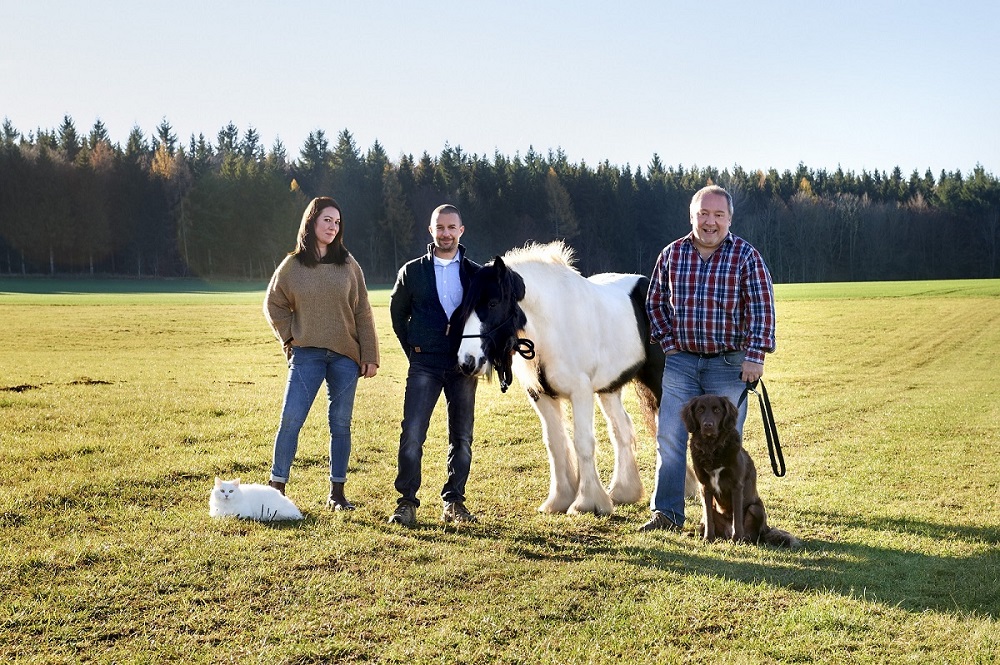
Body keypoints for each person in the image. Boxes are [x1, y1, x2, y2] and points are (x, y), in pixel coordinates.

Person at [641, 185, 776, 532]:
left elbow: (762, 309)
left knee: (727, 443)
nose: (710, 222)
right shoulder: (672, 254)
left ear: (730, 218)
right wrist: (669, 343)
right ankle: (667, 514)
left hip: (729, 364)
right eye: (703, 213)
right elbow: (655, 302)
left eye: (718, 215)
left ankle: (731, 523)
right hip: (682, 363)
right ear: (692, 216)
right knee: (669, 436)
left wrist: (755, 356)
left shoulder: (746, 256)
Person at [263, 196, 379, 511]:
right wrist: (289, 337)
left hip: (345, 356)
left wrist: (369, 354)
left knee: (340, 424)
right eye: (327, 219)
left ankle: (337, 494)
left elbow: (363, 312)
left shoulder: (348, 264)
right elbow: (273, 303)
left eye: (337, 222)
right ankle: (276, 491)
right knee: (291, 419)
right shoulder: (293, 265)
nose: (332, 226)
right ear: (312, 221)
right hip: (306, 355)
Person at [387, 204, 481, 527]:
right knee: (412, 434)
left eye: (451, 227)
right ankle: (406, 503)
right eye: (439, 227)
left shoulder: (474, 274)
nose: (445, 233)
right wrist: (413, 349)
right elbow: (397, 314)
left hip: (462, 367)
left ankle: (454, 502)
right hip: (424, 363)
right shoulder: (412, 272)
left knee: (462, 438)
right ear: (431, 231)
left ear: (461, 230)